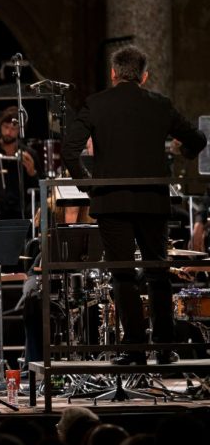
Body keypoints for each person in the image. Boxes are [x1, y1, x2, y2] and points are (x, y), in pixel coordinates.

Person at [62, 45, 207, 365]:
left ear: (113, 73)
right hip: (152, 201)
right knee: (158, 272)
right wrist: (184, 152)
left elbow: (69, 150)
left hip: (111, 202)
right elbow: (198, 139)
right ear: (144, 76)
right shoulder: (160, 105)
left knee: (123, 275)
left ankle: (134, 348)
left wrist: (89, 186)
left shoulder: (96, 103)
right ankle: (165, 347)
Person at [0, 106, 41, 219]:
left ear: (20, 130)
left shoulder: (30, 154)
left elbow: (40, 190)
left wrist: (32, 172)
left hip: (22, 212)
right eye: (6, 127)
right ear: (0, 126)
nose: (8, 132)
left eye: (13, 128)